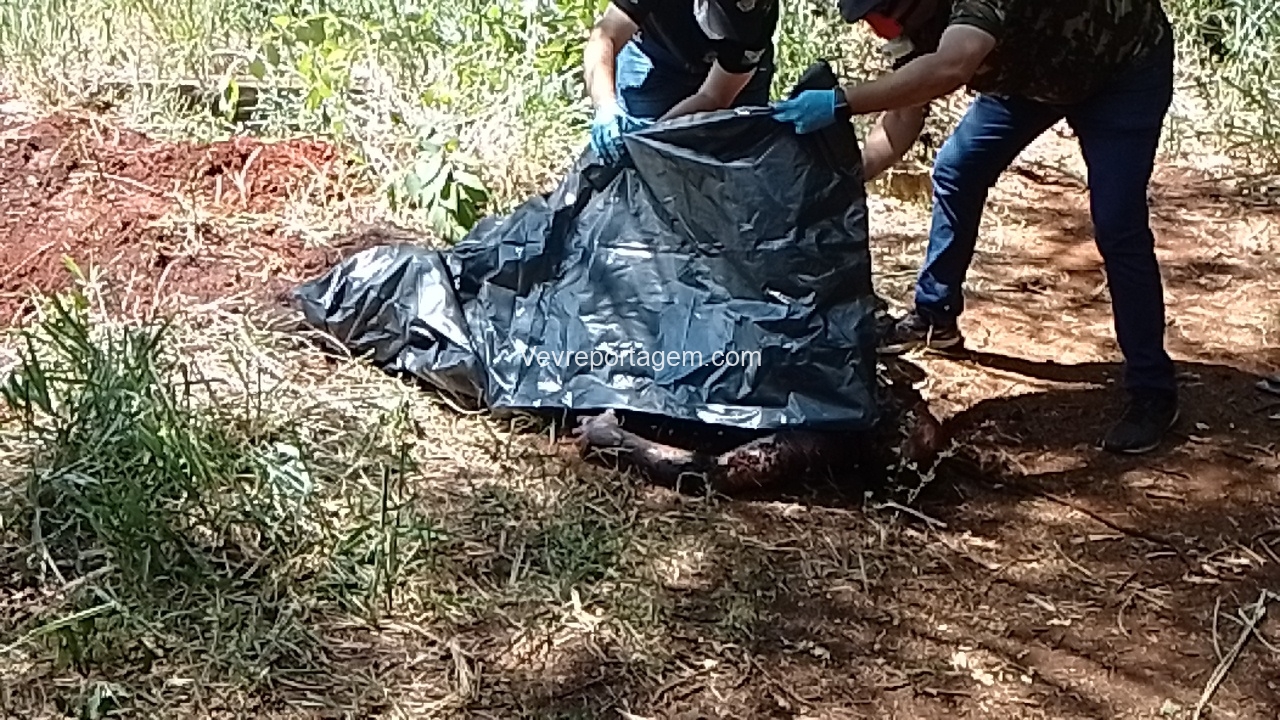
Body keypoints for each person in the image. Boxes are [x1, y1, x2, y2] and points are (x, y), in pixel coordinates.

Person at [771, 0, 1180, 455]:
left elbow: (952, 65)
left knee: (1118, 223)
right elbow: (905, 115)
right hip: (1032, 79)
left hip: (1122, 70)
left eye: (877, 12)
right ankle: (935, 317)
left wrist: (842, 102)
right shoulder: (909, 26)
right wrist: (844, 180)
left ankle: (1152, 388)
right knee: (957, 169)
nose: (876, 25)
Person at [584, 0, 780, 164]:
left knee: (735, 158)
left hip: (732, 76)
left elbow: (714, 96)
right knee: (630, 156)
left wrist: (655, 135)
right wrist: (606, 105)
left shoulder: (755, 16)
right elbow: (606, 35)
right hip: (656, 57)